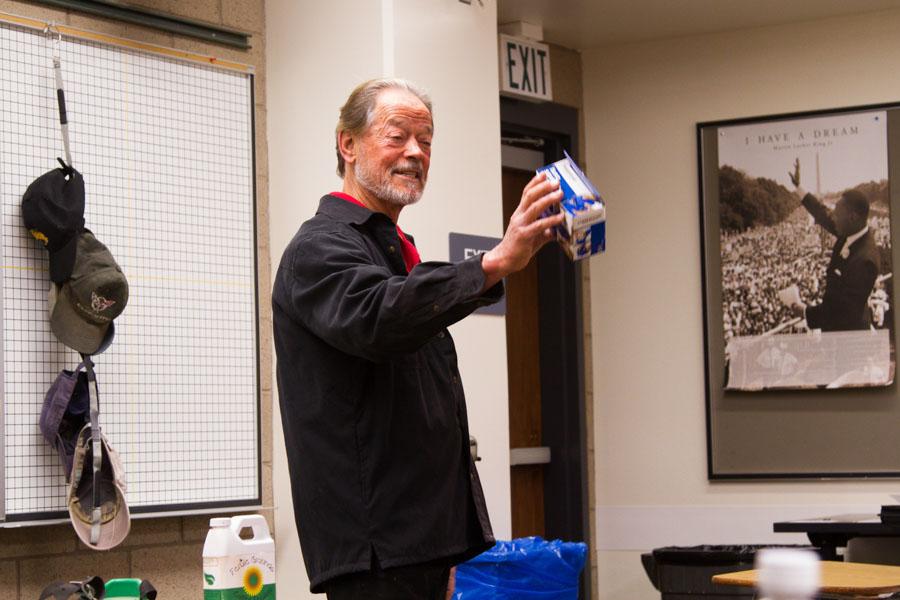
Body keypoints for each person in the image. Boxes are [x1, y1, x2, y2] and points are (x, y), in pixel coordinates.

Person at [272, 78, 564, 599]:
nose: (415, 153)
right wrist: (493, 263)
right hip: (377, 551)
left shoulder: (390, 246)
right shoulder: (317, 249)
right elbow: (379, 318)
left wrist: (446, 543)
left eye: (425, 140)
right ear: (348, 144)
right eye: (397, 136)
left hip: (418, 546)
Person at [787, 158, 879, 331]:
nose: (832, 217)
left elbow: (844, 312)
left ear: (852, 217)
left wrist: (806, 312)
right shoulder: (851, 231)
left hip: (848, 335)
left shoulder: (865, 260)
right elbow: (822, 213)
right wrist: (798, 187)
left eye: (836, 214)